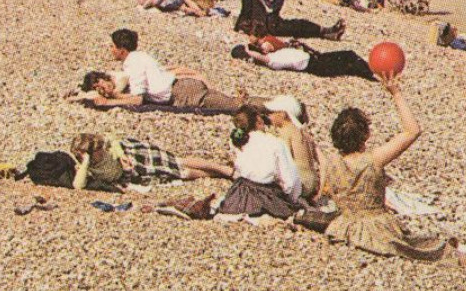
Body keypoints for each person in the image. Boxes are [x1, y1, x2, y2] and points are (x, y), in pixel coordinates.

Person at [321, 77, 466, 263]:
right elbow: (412, 131)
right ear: (366, 135)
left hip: (344, 227)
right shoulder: (373, 159)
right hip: (376, 230)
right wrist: (396, 93)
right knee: (433, 251)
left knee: (425, 244)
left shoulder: (331, 161)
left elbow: (326, 190)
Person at [73, 29, 254, 113]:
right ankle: (265, 104)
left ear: (122, 49)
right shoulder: (139, 56)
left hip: (182, 93)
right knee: (232, 102)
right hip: (184, 86)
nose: (110, 50)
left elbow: (137, 99)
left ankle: (270, 108)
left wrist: (108, 102)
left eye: (112, 47)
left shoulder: (131, 63)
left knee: (237, 107)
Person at [213, 104, 304, 220]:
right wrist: (292, 199)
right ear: (259, 121)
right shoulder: (276, 143)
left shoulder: (239, 143)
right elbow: (290, 182)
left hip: (239, 195)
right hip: (265, 197)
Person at [68, 132, 232, 192]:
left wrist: (119, 155)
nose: (101, 151)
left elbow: (112, 139)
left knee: (177, 161)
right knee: (182, 172)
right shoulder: (88, 168)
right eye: (96, 151)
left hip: (136, 154)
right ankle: (214, 174)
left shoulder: (104, 147)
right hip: (136, 171)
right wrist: (86, 161)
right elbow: (78, 185)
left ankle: (223, 169)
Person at [236, 0, 345, 40]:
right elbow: (245, 14)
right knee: (298, 27)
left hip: (276, 24)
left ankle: (327, 32)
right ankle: (328, 32)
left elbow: (273, 9)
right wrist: (241, 28)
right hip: (267, 28)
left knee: (300, 24)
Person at [231, 36, 375, 80]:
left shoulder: (272, 56)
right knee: (348, 59)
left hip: (315, 60)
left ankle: (370, 71)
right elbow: (260, 57)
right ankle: (371, 73)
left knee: (348, 58)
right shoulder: (271, 61)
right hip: (315, 65)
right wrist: (248, 52)